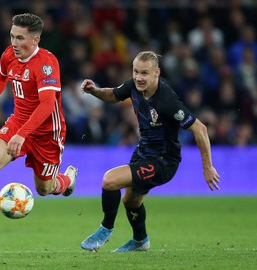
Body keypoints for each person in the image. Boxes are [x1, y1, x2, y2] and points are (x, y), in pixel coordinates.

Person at [0, 13, 78, 250]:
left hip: (47, 132)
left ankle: (66, 180)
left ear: (35, 40)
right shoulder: (9, 54)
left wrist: (22, 135)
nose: (14, 43)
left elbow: (46, 105)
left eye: (20, 38)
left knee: (44, 189)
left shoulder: (46, 63)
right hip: (17, 122)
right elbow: (1, 77)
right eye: (12, 36)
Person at [80, 51, 220, 252]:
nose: (138, 77)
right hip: (143, 152)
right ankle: (140, 241)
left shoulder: (167, 101)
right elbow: (113, 95)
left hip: (163, 161)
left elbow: (200, 129)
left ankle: (105, 229)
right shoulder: (134, 86)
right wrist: (95, 91)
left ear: (157, 73)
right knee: (130, 200)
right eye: (136, 71)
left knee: (110, 180)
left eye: (144, 73)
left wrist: (207, 167)